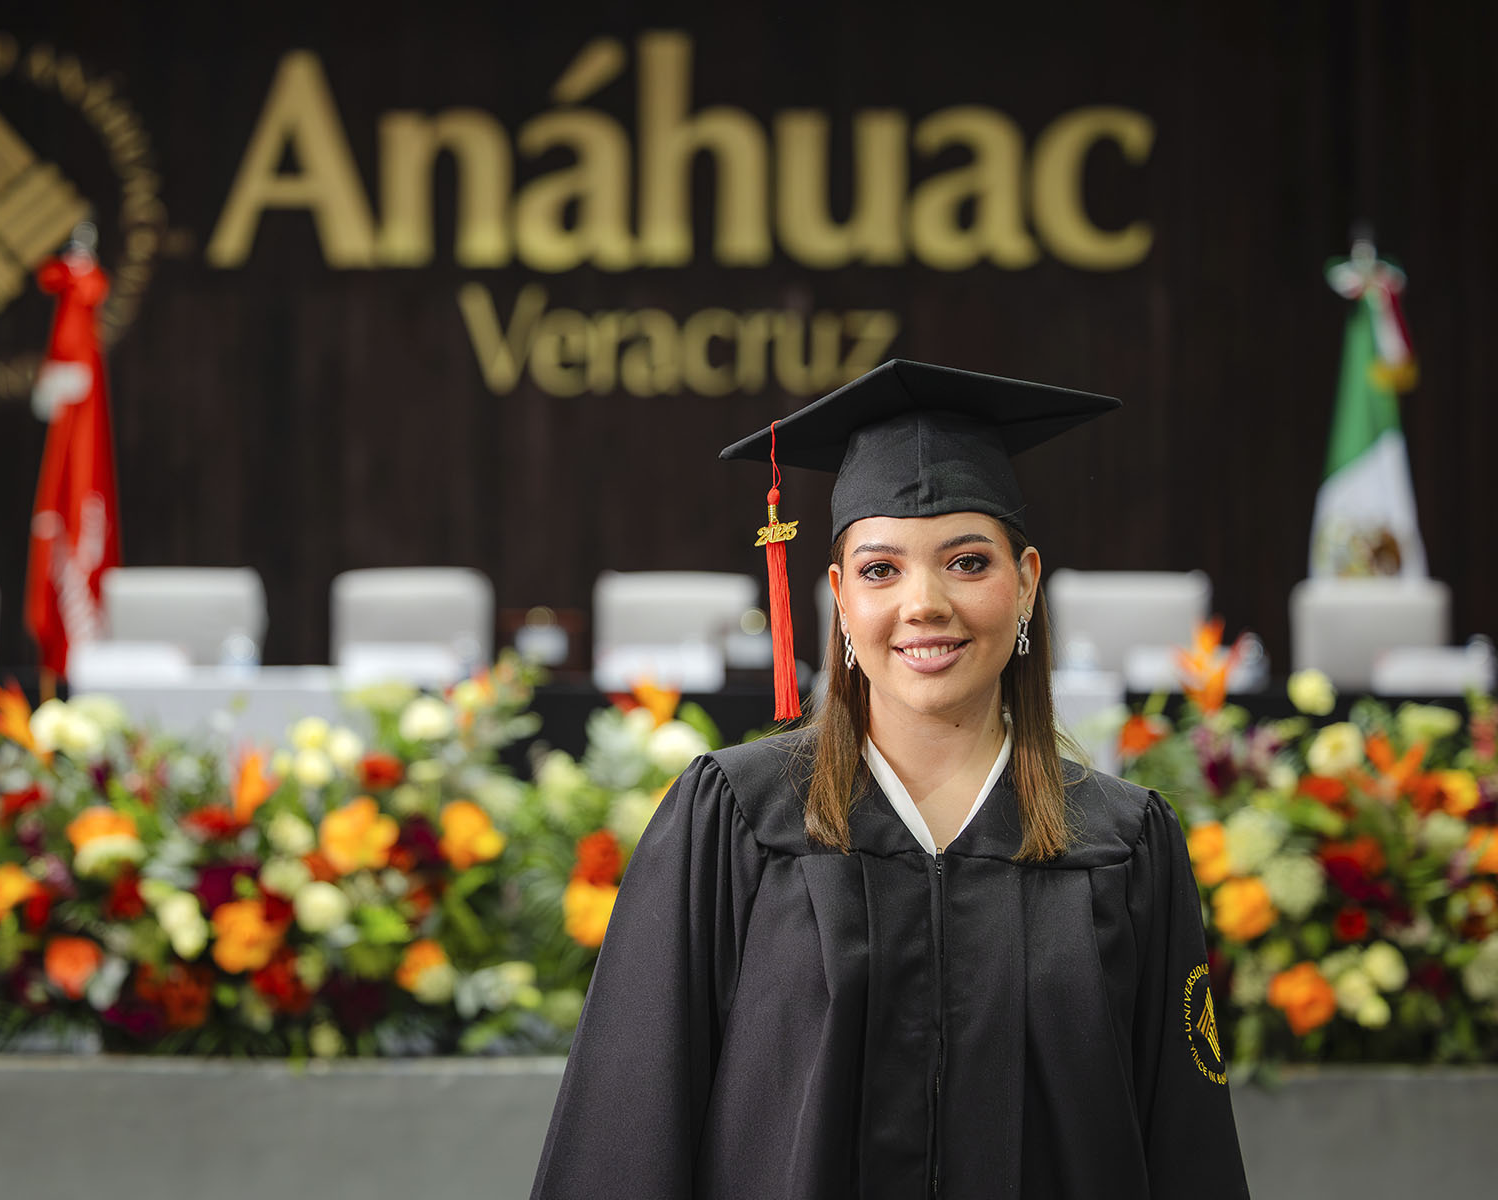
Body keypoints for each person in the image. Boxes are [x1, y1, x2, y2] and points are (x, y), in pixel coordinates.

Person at [530, 360, 1251, 1199]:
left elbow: (1185, 1152)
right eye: (881, 570)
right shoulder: (736, 821)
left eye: (968, 562)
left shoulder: (1122, 844)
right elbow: (628, 1132)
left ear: (1025, 585)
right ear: (838, 599)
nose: (925, 603)